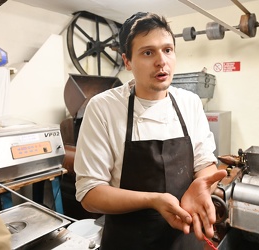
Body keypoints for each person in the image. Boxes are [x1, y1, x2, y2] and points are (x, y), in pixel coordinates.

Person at [74, 12, 227, 250]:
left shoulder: (190, 102)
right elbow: (89, 194)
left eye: (167, 50)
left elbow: (205, 163)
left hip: (185, 237)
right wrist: (153, 200)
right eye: (148, 52)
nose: (161, 61)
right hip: (128, 241)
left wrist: (203, 185)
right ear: (127, 61)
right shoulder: (104, 107)